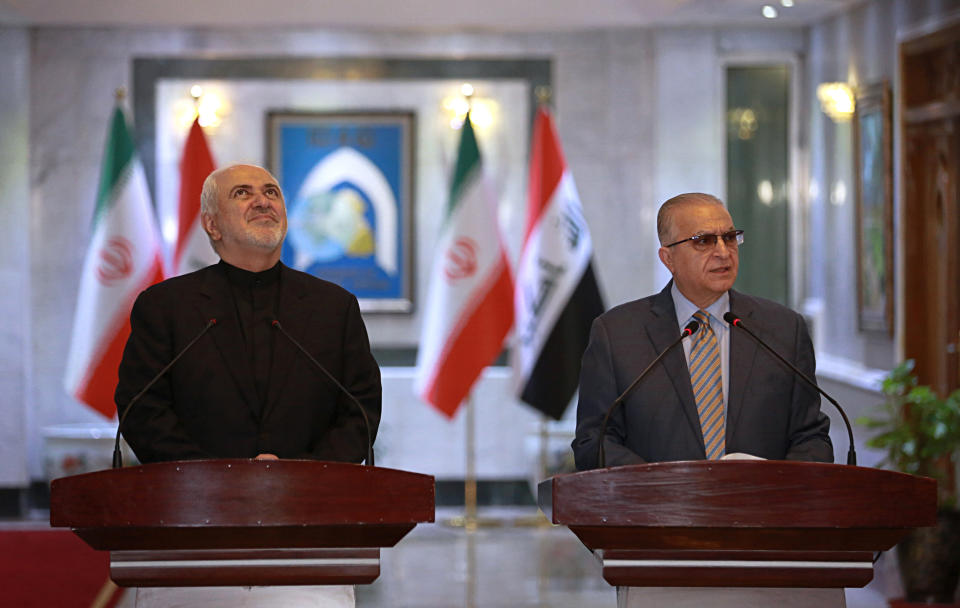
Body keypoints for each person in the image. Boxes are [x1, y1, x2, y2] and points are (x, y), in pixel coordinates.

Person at [116, 164, 381, 464]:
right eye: (242, 193)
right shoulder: (165, 306)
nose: (263, 201)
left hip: (313, 501)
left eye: (271, 192)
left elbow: (361, 410)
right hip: (196, 501)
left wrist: (305, 475)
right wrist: (217, 478)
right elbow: (143, 410)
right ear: (212, 225)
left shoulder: (334, 307)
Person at [572, 193, 832, 469]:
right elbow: (594, 441)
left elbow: (811, 438)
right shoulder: (617, 334)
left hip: (761, 508)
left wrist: (774, 489)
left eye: (730, 238)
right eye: (704, 241)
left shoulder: (783, 329)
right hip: (656, 508)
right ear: (668, 258)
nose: (723, 252)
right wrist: (660, 489)